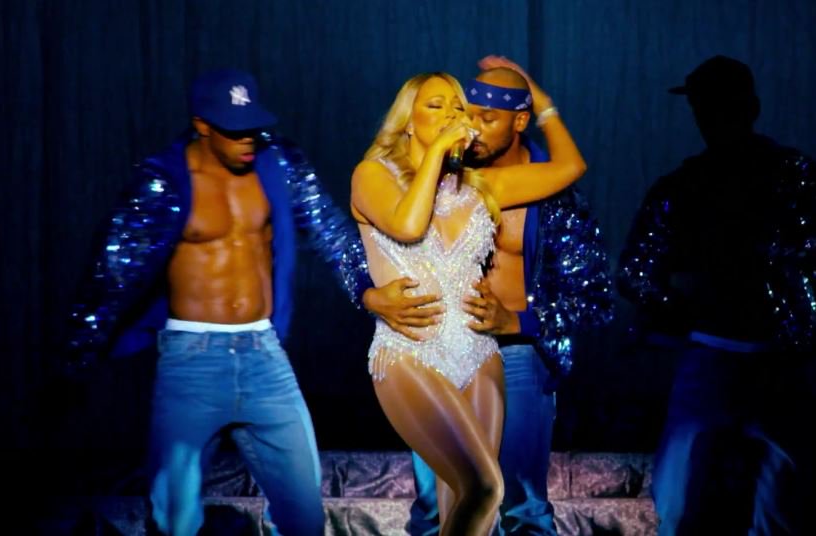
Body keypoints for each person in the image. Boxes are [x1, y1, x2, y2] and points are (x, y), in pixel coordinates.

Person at [64, 69, 372, 536]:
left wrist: (368, 288)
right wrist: (76, 358)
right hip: (191, 364)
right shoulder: (163, 180)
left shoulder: (278, 163)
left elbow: (330, 230)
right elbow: (112, 273)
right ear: (202, 125)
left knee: (305, 516)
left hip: (265, 358)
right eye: (234, 129)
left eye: (253, 126)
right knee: (175, 521)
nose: (248, 139)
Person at [361, 59, 613, 536]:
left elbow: (572, 173)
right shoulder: (390, 175)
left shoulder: (504, 190)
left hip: (496, 352)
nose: (467, 122)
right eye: (458, 109)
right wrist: (371, 296)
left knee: (502, 501)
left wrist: (543, 102)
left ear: (518, 121)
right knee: (456, 497)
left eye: (475, 114)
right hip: (419, 347)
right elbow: (392, 236)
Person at [617, 55, 816, 535]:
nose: (708, 118)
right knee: (699, 496)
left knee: (697, 497)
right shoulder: (776, 175)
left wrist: (685, 304)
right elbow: (637, 273)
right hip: (736, 352)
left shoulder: (702, 183)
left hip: (759, 356)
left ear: (748, 108)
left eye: (714, 107)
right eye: (704, 108)